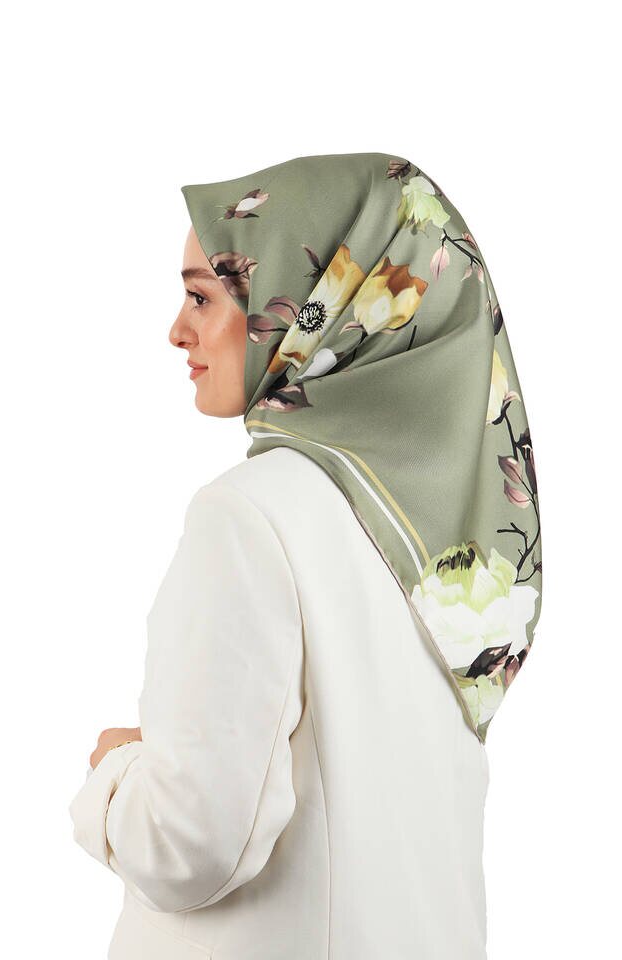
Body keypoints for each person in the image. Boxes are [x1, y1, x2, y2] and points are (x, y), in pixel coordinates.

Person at [69, 151, 542, 959]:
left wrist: (115, 775)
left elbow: (190, 843)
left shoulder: (249, 517)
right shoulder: (455, 550)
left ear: (320, 305)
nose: (177, 330)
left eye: (202, 296)